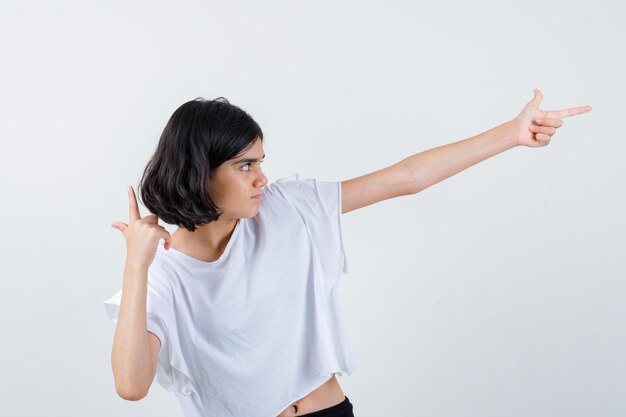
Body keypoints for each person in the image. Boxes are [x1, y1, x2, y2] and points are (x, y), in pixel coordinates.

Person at [104, 90, 591, 417]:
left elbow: (406, 177)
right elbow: (131, 385)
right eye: (244, 165)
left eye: (260, 163)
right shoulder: (162, 276)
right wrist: (135, 267)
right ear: (200, 171)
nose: (261, 179)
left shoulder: (287, 208)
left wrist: (510, 133)